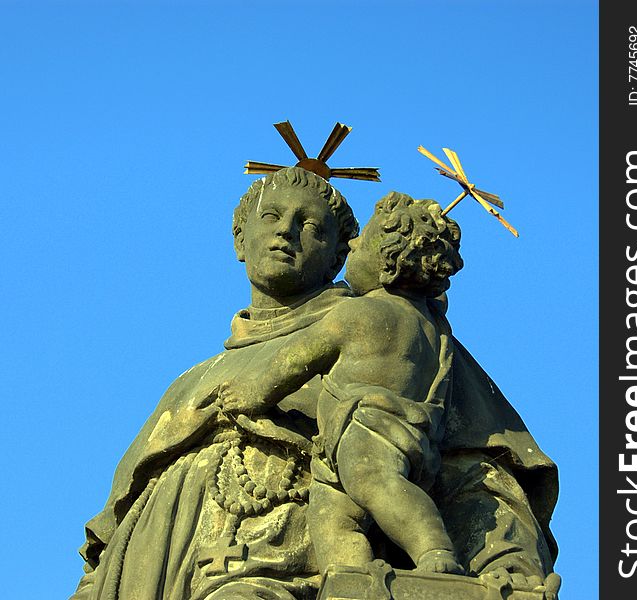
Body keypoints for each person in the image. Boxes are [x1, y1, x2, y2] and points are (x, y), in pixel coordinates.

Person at [71, 167, 558, 600]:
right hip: (160, 573)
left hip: (289, 581)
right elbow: (112, 531)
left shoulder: (383, 334)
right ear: (239, 240)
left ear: (338, 257)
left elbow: (482, 473)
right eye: (271, 216)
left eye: (311, 226)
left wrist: (505, 568)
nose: (286, 230)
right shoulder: (190, 382)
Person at [220, 192, 465, 576]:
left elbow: (293, 362)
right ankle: (351, 577)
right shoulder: (435, 328)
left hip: (365, 430)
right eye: (271, 215)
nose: (352, 245)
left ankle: (435, 552)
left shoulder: (355, 313)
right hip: (398, 436)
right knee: (332, 513)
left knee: (377, 486)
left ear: (385, 266)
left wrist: (252, 393)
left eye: (360, 241)